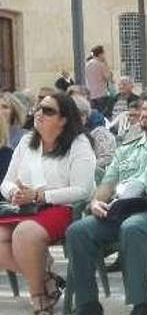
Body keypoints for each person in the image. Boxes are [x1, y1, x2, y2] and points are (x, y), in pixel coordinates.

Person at [66, 90, 147, 315]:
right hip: (121, 210)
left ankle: (142, 305)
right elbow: (107, 184)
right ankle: (87, 305)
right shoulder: (126, 149)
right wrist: (97, 203)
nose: (144, 114)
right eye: (143, 109)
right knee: (77, 231)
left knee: (134, 227)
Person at [0, 92, 96, 314]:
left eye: (48, 110)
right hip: (24, 206)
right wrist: (14, 192)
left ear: (63, 119)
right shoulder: (26, 141)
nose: (40, 114)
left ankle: (39, 296)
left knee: (24, 234)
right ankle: (47, 278)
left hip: (62, 207)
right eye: (39, 108)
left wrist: (40, 196)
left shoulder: (79, 143)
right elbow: (6, 181)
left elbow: (83, 189)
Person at [72, 94, 116, 169]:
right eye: (73, 115)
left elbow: (107, 159)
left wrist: (82, 168)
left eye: (82, 115)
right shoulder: (64, 135)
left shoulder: (100, 133)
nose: (78, 119)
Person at [85, 45, 113, 115]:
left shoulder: (87, 65)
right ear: (100, 54)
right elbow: (108, 77)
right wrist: (106, 64)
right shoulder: (100, 64)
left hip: (91, 94)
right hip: (101, 94)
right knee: (103, 115)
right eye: (104, 53)